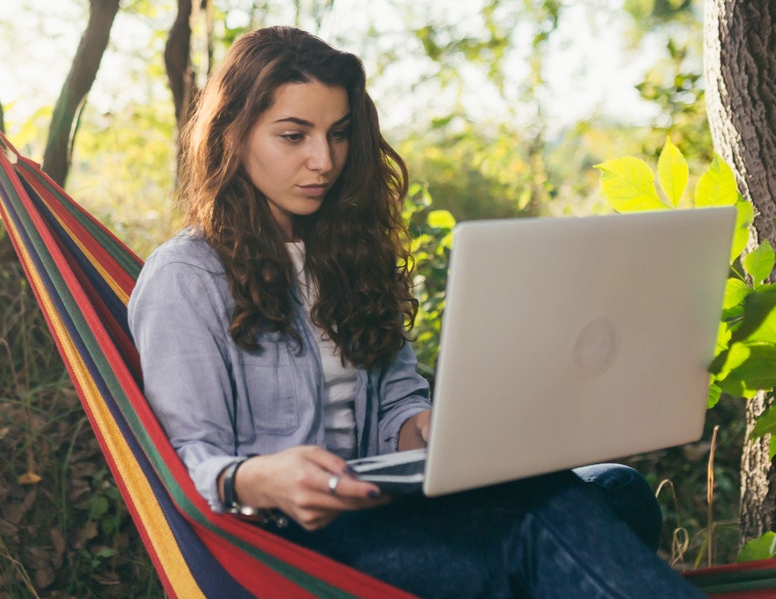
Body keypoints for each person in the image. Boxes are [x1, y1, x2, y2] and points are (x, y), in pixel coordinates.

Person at [127, 25, 705, 598]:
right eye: (293, 136)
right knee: (533, 517)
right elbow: (185, 462)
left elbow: (398, 398)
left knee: (617, 489)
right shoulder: (186, 279)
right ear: (234, 134)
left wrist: (425, 430)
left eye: (338, 133)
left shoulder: (345, 255)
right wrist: (259, 478)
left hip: (383, 508)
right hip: (285, 551)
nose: (323, 160)